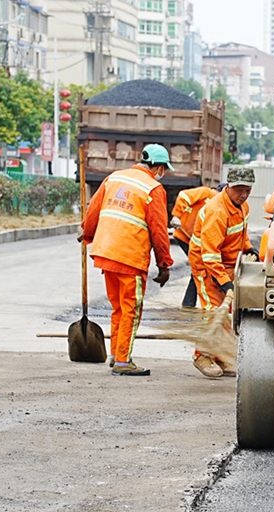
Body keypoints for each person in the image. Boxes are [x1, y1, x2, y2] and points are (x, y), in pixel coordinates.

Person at [79, 144, 174, 376]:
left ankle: (115, 354)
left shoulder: (114, 178)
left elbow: (93, 210)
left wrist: (87, 233)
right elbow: (159, 230)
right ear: (159, 167)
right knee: (131, 309)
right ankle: (123, 360)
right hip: (130, 257)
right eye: (163, 169)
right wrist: (164, 264)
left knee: (118, 308)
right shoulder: (153, 188)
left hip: (106, 252)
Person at [188, 166, 258, 378]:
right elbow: (209, 253)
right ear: (228, 186)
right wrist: (223, 281)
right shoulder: (217, 210)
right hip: (206, 266)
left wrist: (248, 248)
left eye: (247, 190)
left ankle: (218, 356)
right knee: (212, 312)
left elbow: (240, 233)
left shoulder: (242, 206)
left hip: (226, 264)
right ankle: (202, 356)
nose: (244, 195)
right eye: (239, 190)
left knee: (225, 314)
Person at [170, 186, 217, 309]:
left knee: (198, 269)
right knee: (199, 268)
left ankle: (188, 304)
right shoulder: (207, 193)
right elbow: (184, 195)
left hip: (195, 241)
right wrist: (177, 215)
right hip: (184, 236)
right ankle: (189, 304)